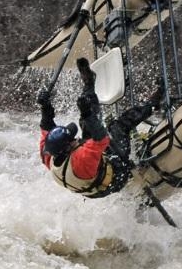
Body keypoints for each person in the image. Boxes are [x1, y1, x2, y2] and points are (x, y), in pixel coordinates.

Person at [37, 58, 164, 198]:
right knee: (117, 127)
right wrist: (87, 114)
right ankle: (154, 102)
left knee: (86, 120)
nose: (75, 138)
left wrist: (45, 106)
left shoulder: (50, 156)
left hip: (91, 171)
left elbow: (46, 127)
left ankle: (89, 83)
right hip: (115, 176)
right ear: (67, 149)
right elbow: (102, 139)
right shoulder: (81, 159)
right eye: (72, 139)